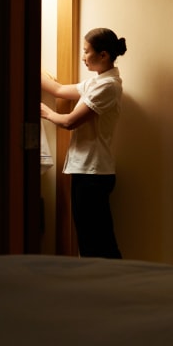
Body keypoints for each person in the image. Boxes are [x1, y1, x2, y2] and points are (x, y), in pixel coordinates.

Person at [40, 27, 127, 259]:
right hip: (89, 172)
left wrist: (46, 112)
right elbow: (58, 90)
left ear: (104, 55)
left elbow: (70, 122)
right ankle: (105, 288)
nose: (82, 57)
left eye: (86, 51)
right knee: (92, 240)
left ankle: (112, 288)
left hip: (93, 173)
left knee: (97, 243)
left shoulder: (107, 87)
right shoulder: (97, 83)